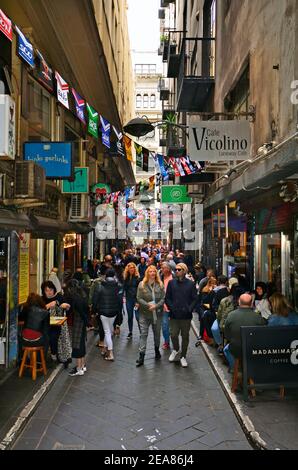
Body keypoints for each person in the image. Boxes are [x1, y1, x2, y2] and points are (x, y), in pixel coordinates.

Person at [165, 263, 197, 368]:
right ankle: (176, 349)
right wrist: (171, 307)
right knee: (173, 334)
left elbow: (195, 299)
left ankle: (183, 356)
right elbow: (167, 297)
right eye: (176, 269)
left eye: (179, 269)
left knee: (185, 336)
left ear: (184, 270)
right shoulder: (171, 283)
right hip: (174, 314)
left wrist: (189, 309)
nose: (177, 271)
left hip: (185, 316)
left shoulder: (191, 284)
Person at [224, 293, 266, 372]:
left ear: (239, 302)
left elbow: (227, 335)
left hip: (236, 349)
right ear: (251, 303)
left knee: (226, 349)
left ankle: (235, 369)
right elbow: (263, 335)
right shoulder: (258, 317)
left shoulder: (231, 315)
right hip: (253, 350)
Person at [136, 265, 165, 367]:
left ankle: (157, 350)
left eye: (154, 271)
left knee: (157, 334)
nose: (152, 273)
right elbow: (139, 298)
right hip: (144, 313)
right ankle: (141, 356)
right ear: (147, 273)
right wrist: (148, 304)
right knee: (143, 334)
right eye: (150, 271)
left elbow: (163, 298)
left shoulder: (160, 285)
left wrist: (156, 306)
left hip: (157, 314)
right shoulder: (142, 284)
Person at [92, 269, 123, 361]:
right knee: (108, 330)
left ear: (105, 276)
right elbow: (120, 301)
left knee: (107, 332)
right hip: (114, 312)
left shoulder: (100, 286)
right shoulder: (118, 286)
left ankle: (110, 353)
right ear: (114, 276)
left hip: (103, 312)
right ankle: (104, 349)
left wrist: (94, 311)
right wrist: (119, 312)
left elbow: (95, 300)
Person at [64, 279, 89, 376]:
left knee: (77, 345)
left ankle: (79, 368)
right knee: (81, 343)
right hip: (82, 322)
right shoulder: (82, 294)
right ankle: (82, 365)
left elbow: (76, 311)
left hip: (78, 322)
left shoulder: (75, 298)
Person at [211, 278, 243, 352]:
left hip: (231, 322)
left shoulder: (243, 298)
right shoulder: (222, 295)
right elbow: (218, 313)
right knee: (214, 328)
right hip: (223, 319)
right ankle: (220, 344)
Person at [41, 281, 70, 362]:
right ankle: (46, 355)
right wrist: (48, 305)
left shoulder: (59, 297)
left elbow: (67, 307)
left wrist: (66, 306)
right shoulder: (42, 299)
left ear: (54, 289)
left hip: (56, 324)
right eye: (46, 290)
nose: (49, 292)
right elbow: (39, 310)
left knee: (53, 338)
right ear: (43, 291)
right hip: (45, 324)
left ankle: (54, 353)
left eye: (51, 289)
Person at [123, 263, 140, 338]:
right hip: (129, 299)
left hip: (136, 299)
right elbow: (123, 288)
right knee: (130, 316)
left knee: (138, 317)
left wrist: (137, 301)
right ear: (128, 269)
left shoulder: (137, 278)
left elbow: (140, 290)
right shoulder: (125, 278)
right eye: (130, 268)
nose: (131, 269)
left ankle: (141, 331)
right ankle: (130, 332)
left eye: (133, 268)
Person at [160, 262, 173, 350]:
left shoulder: (174, 278)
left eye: (164, 268)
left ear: (168, 269)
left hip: (173, 305)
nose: (162, 269)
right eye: (162, 268)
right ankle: (166, 342)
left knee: (174, 327)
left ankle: (175, 342)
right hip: (163, 305)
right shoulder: (160, 277)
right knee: (164, 325)